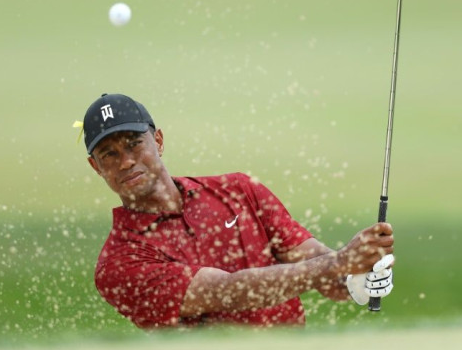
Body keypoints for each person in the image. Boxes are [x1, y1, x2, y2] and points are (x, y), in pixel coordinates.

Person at [80, 93, 394, 328]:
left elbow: (315, 264)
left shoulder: (239, 190)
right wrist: (338, 262)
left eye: (134, 143)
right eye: (109, 154)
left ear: (158, 140)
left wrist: (355, 280)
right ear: (95, 166)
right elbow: (228, 291)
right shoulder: (119, 264)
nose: (126, 161)